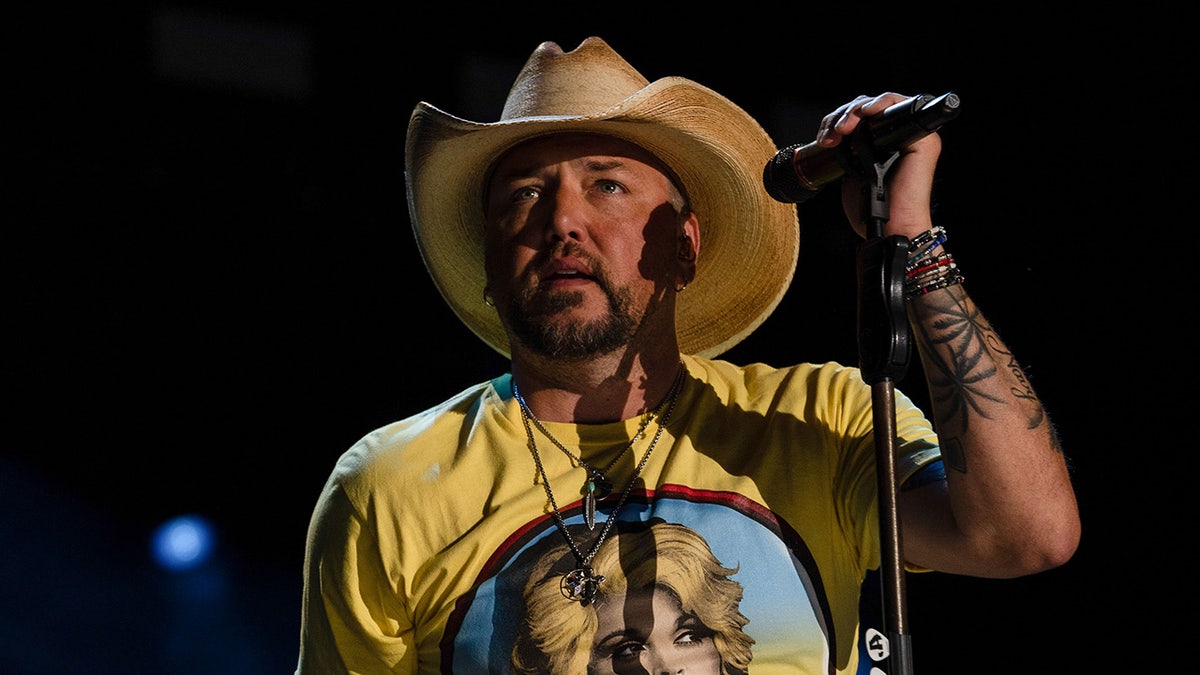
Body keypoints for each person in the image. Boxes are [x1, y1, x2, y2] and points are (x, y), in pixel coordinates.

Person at [295, 36, 1080, 674]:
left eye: (606, 186)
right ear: (490, 268)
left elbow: (1027, 534)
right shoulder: (388, 485)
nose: (562, 221)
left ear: (685, 249)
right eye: (524, 196)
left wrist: (911, 245)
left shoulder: (815, 417)